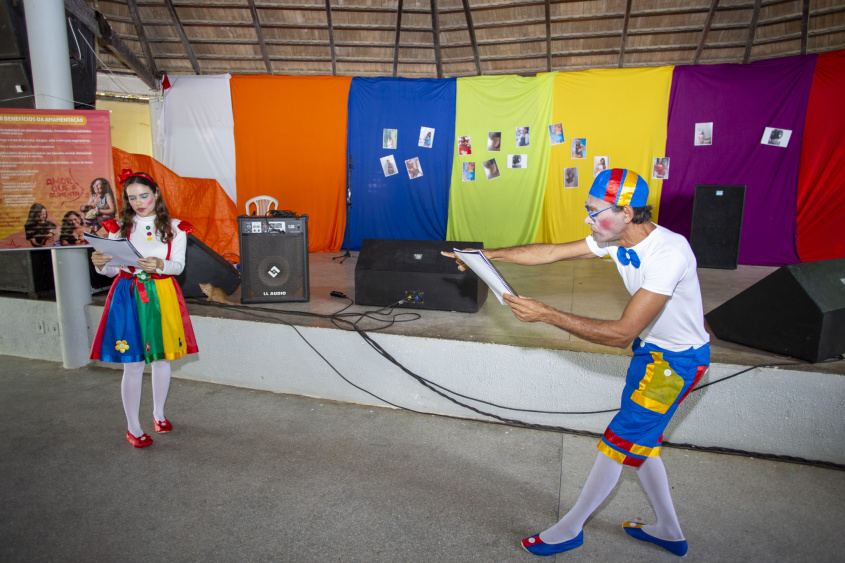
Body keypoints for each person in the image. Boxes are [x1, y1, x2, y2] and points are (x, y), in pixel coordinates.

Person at [443, 168, 710, 558]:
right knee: (642, 441)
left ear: (627, 212)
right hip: (652, 352)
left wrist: (546, 314)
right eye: (588, 210)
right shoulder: (615, 237)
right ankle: (669, 530)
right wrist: (485, 255)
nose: (588, 220)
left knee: (617, 443)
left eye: (595, 212)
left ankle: (570, 528)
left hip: (676, 363)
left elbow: (621, 333)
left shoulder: (669, 253)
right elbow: (552, 252)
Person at [90, 171, 198, 449]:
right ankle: (133, 427)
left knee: (161, 359)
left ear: (156, 194)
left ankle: (158, 414)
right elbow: (112, 271)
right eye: (132, 197)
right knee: (134, 363)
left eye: (144, 195)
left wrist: (160, 266)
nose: (139, 202)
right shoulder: (118, 228)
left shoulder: (176, 228)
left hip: (162, 294)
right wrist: (100, 263)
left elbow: (178, 265)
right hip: (127, 294)